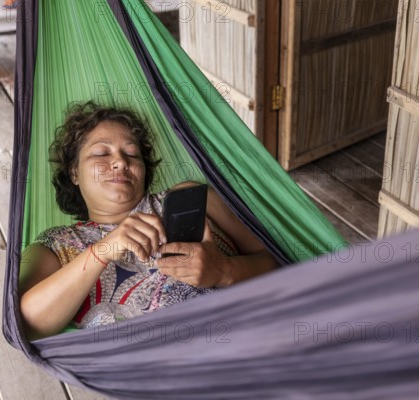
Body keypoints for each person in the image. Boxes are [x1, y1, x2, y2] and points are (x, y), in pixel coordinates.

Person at [19, 101, 279, 339]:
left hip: (252, 332)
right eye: (101, 153)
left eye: (132, 154)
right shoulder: (56, 244)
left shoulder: (190, 199)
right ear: (74, 172)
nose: (120, 162)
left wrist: (223, 271)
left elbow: (276, 261)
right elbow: (27, 323)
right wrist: (103, 250)